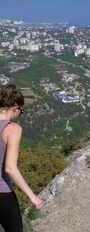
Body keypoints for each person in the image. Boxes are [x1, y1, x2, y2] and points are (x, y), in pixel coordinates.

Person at [0, 84, 44, 232]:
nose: (20, 114)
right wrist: (32, 197)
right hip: (2, 193)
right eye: (21, 110)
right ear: (14, 107)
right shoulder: (12, 129)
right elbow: (10, 168)